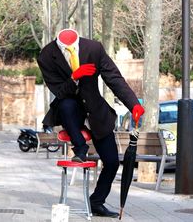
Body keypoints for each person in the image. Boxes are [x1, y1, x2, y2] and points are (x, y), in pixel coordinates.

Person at [37, 28, 144, 218]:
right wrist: (74, 77)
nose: (69, 47)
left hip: (96, 111)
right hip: (71, 112)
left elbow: (114, 78)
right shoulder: (46, 55)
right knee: (66, 104)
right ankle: (80, 148)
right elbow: (59, 92)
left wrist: (133, 104)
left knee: (111, 162)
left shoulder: (94, 48)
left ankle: (96, 202)